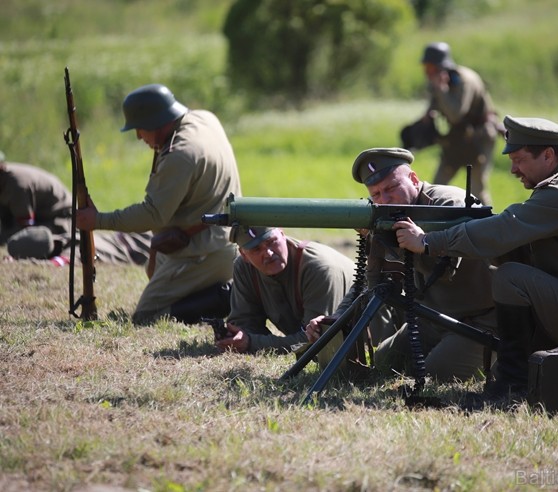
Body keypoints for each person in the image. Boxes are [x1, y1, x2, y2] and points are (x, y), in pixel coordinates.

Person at [393, 116, 558, 407]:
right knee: (509, 276)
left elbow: (503, 229)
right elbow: (508, 242)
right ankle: (529, 379)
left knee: (510, 277)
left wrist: (429, 241)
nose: (513, 169)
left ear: (548, 155)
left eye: (519, 159)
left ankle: (514, 387)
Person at [306, 148, 499, 383]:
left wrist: (414, 243)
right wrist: (339, 318)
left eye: (391, 188)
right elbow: (372, 282)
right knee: (385, 363)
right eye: (376, 194)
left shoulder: (448, 203)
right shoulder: (385, 213)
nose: (384, 199)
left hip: (480, 321)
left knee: (433, 376)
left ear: (414, 179)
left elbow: (446, 270)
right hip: (432, 318)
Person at [76, 84, 241, 325]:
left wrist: (98, 220)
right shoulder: (205, 118)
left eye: (139, 128)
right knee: (155, 273)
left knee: (146, 316)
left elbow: (153, 215)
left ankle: (228, 298)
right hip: (220, 241)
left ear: (156, 123)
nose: (138, 136)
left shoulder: (180, 153)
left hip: (203, 252)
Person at [216, 225, 356, 366]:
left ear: (282, 234)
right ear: (244, 255)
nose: (268, 253)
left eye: (272, 242)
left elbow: (319, 341)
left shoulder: (319, 269)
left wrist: (253, 343)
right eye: (256, 249)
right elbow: (244, 325)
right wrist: (238, 338)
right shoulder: (244, 268)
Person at [0, 154, 150, 265]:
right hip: (128, 241)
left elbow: (55, 262)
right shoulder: (64, 242)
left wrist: (22, 262)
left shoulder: (17, 185)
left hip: (65, 218)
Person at [415, 42, 504, 206]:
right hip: (456, 138)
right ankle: (432, 221)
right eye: (425, 66)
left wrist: (441, 89)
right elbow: (434, 106)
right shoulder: (436, 81)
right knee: (438, 184)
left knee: (478, 188)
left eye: (430, 67)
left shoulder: (465, 80)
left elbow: (456, 114)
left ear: (441, 66)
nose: (427, 72)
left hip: (479, 137)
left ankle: (487, 224)